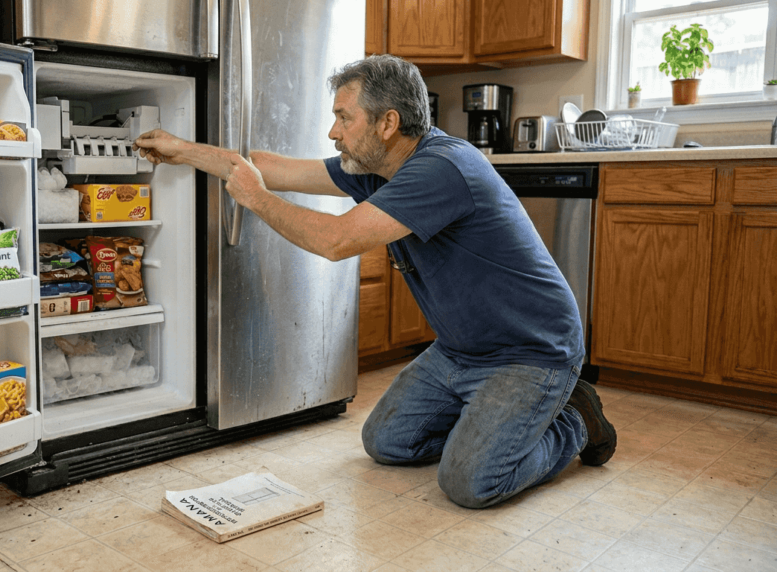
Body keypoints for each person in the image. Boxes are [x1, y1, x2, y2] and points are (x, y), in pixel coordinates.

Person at [133, 54, 617, 509]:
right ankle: (493, 421)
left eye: (345, 118)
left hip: (530, 351)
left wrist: (256, 201)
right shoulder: (376, 166)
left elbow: (337, 241)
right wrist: (181, 150)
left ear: (387, 124)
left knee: (471, 483)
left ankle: (572, 420)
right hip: (460, 349)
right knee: (387, 443)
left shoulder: (441, 169)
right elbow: (268, 167)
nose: (332, 132)